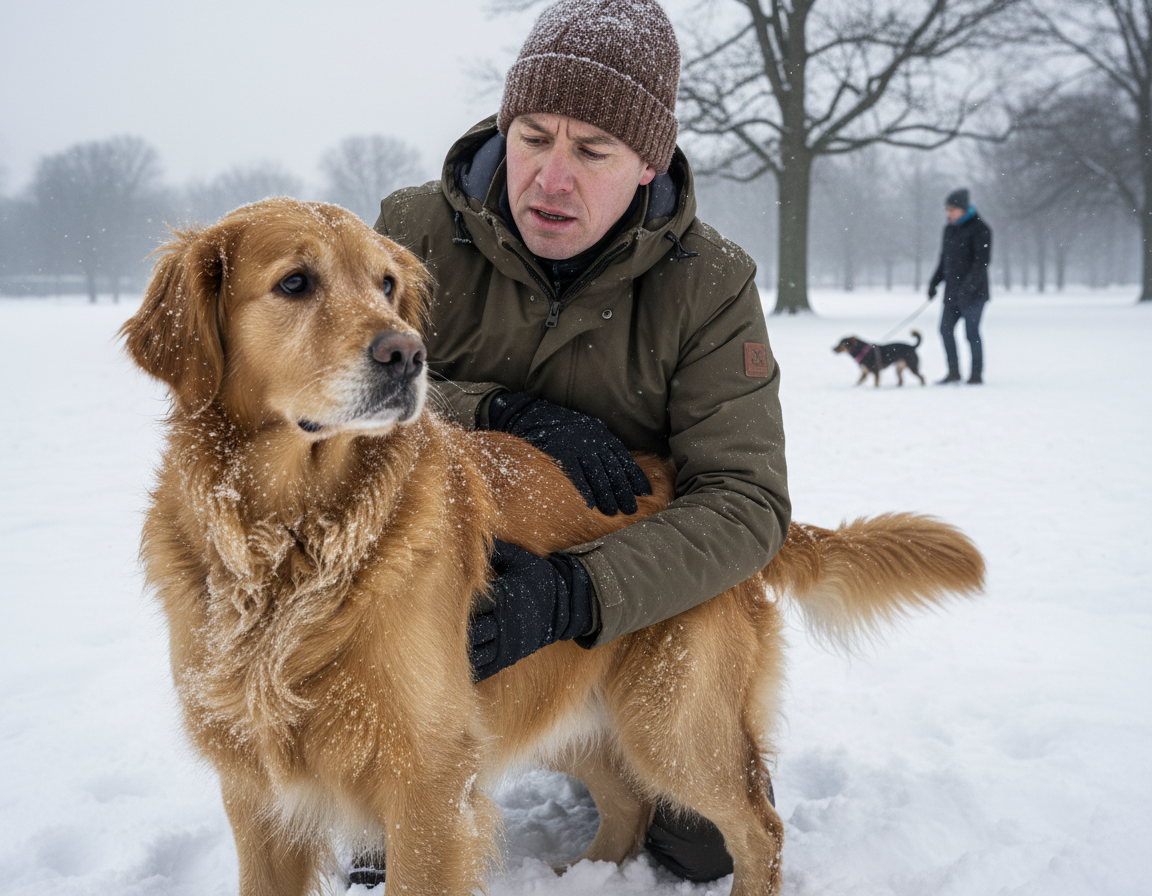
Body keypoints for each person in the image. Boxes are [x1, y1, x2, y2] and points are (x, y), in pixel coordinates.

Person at [354, 0, 790, 886]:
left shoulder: (711, 283)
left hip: (631, 560)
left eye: (592, 150)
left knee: (698, 836)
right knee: (371, 792)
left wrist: (577, 593)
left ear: (646, 165)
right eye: (533, 136)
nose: (551, 177)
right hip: (431, 561)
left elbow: (747, 505)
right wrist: (495, 408)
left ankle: (635, 776)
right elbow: (341, 397)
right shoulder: (410, 231)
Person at [928, 188, 993, 384]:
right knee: (945, 330)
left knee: (971, 333)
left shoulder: (981, 229)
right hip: (951, 293)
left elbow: (981, 263)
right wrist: (934, 282)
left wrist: (968, 288)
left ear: (963, 209)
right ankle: (953, 371)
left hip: (974, 294)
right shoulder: (949, 230)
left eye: (952, 209)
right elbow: (944, 259)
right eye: (947, 210)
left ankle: (976, 374)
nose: (949, 213)